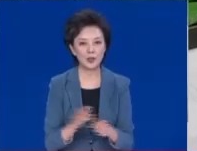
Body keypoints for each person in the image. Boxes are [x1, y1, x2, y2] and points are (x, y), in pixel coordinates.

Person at [45, 9, 134, 150]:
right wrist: (73, 125)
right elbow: (50, 143)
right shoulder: (59, 84)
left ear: (105, 47)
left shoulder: (120, 85)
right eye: (83, 43)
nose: (91, 50)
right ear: (72, 49)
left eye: (97, 42)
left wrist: (110, 132)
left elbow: (128, 142)